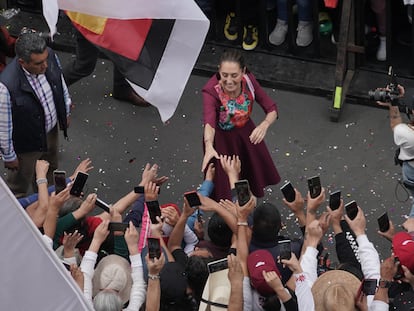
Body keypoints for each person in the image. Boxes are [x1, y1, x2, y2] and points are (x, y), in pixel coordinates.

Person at [201, 49, 280, 201]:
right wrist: (209, 145)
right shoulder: (211, 91)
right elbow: (209, 122)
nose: (229, 81)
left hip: (246, 135)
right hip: (222, 142)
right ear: (219, 70)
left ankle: (248, 203)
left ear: (243, 71)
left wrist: (264, 125)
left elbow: (271, 108)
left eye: (234, 75)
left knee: (250, 173)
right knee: (226, 185)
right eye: (224, 75)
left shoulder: (249, 81)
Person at [0, 29, 71, 198]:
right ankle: (20, 216)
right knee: (19, 186)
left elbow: (60, 84)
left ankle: (49, 203)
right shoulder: (6, 86)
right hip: (26, 144)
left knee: (50, 171)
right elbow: (3, 125)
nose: (45, 65)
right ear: (23, 62)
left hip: (49, 132)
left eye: (45, 59)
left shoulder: (50, 57)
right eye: (39, 63)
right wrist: (9, 156)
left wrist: (65, 111)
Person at [63, 21, 150, 107]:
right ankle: (55, 87)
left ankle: (122, 88)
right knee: (84, 65)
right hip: (92, 18)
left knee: (124, 50)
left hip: (111, 17)